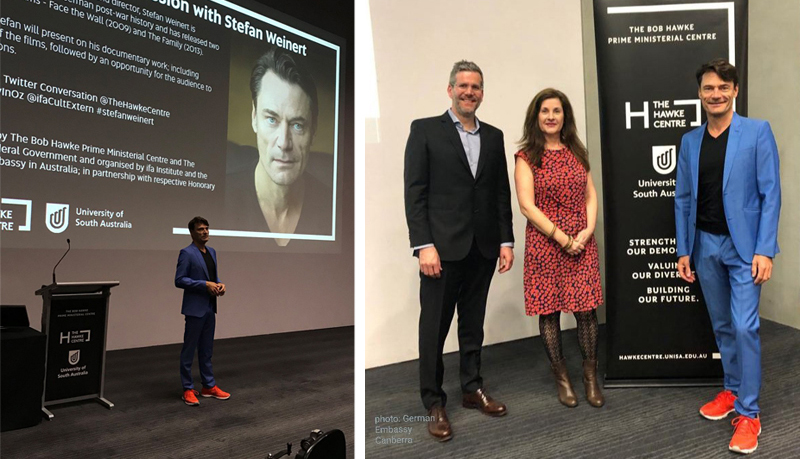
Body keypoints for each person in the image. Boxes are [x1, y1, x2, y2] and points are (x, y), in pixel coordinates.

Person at [403, 60, 515, 442]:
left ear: (482, 92)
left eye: (477, 87)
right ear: (450, 89)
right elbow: (415, 193)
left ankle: (472, 388)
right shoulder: (424, 131)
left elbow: (500, 192)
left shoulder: (495, 136)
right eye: (463, 85)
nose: (470, 92)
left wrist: (505, 240)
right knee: (433, 330)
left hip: (482, 249)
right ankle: (434, 401)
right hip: (441, 251)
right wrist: (424, 246)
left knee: (472, 326)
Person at [675, 58, 780, 454]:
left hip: (744, 248)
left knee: (744, 327)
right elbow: (683, 198)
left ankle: (750, 415)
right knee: (722, 327)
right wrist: (685, 248)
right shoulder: (690, 141)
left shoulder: (756, 132)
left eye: (723, 87)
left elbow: (771, 195)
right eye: (708, 88)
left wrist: (764, 250)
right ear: (700, 94)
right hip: (705, 245)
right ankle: (732, 391)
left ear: (735, 91)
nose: (715, 94)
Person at [513, 88, 604, 408]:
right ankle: (562, 378)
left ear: (565, 116)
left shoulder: (577, 150)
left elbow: (590, 195)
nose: (551, 116)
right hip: (546, 244)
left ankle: (590, 377)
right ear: (535, 117)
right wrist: (562, 238)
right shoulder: (527, 156)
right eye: (545, 111)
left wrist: (587, 230)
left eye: (557, 111)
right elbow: (527, 206)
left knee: (587, 312)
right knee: (549, 312)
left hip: (581, 241)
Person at [225, 46, 332, 246]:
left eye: (297, 125)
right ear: (254, 118)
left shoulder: (333, 208)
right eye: (272, 120)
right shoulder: (217, 201)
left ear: (313, 130)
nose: (284, 142)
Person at [175, 216, 231, 405]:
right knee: (189, 350)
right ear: (192, 232)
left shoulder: (212, 252)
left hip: (209, 307)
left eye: (206, 228)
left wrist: (218, 285)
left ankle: (208, 386)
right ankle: (187, 388)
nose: (205, 232)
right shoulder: (186, 253)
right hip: (194, 308)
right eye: (200, 229)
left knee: (207, 350)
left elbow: (212, 278)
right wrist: (204, 284)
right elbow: (179, 280)